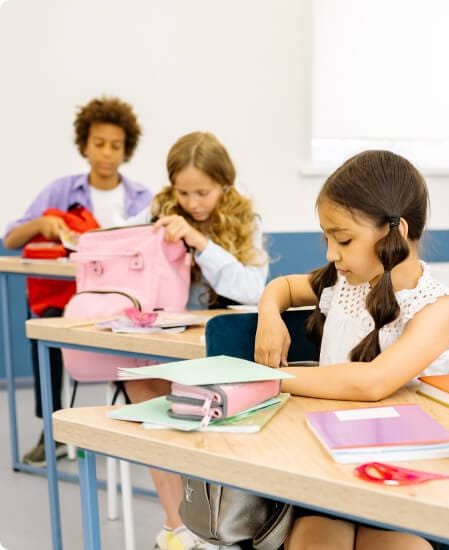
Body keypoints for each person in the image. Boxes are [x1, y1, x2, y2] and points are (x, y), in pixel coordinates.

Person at [254, 150, 449, 550]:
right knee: (315, 543)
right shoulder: (343, 284)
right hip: (328, 466)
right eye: (327, 239)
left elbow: (372, 382)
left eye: (343, 239)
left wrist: (263, 380)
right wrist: (269, 315)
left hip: (407, 479)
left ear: (395, 233)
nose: (330, 254)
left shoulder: (439, 308)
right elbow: (282, 287)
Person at [125, 131, 269, 550]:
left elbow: (251, 289)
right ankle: (179, 526)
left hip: (220, 350)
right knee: (142, 388)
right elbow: (118, 244)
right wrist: (149, 236)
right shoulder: (158, 211)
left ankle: (217, 522)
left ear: (225, 184)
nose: (192, 203)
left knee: (201, 404)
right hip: (168, 347)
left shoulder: (245, 219)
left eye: (203, 192)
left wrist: (199, 242)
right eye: (183, 192)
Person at [3, 96, 153, 466]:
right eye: (99, 143)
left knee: (142, 334)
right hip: (66, 298)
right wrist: (41, 224)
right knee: (45, 325)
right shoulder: (60, 190)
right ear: (84, 145)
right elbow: (11, 239)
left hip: (121, 300)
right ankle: (52, 429)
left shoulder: (141, 198)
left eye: (115, 145)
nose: (107, 153)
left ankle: (138, 419)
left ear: (126, 150)